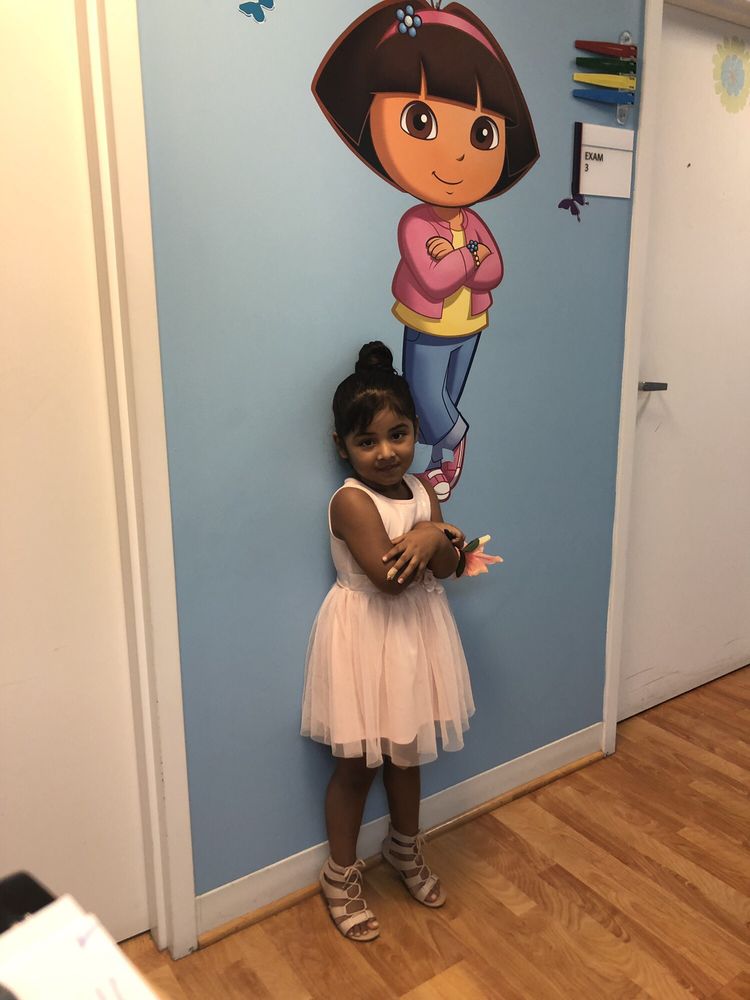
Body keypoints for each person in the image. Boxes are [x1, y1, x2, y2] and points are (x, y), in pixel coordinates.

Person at [313, 1, 539, 500]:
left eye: (481, 133)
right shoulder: (415, 222)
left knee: (447, 396)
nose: (457, 154)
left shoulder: (472, 220)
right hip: (429, 326)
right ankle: (456, 441)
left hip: (470, 325)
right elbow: (434, 281)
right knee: (426, 402)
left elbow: (493, 271)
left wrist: (463, 261)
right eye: (421, 122)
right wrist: (469, 259)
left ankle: (441, 463)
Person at [301, 341, 475, 942]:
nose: (385, 452)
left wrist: (436, 539)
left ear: (416, 430)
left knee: (408, 752)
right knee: (355, 766)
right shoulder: (351, 501)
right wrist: (435, 537)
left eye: (397, 435)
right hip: (364, 637)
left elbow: (449, 568)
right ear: (342, 447)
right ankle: (339, 874)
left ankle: (404, 847)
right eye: (366, 441)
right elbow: (390, 579)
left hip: (416, 637)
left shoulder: (425, 492)